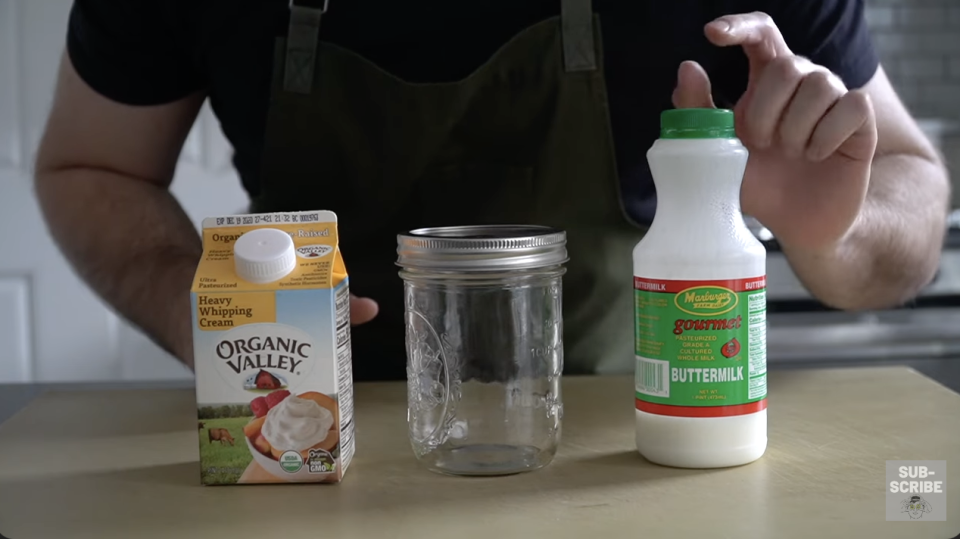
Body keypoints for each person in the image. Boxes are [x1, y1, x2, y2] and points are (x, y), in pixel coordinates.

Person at [34, 0, 950, 382]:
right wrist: (207, 316)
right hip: (306, 458)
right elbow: (88, 168)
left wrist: (827, 229)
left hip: (631, 460)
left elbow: (909, 191)